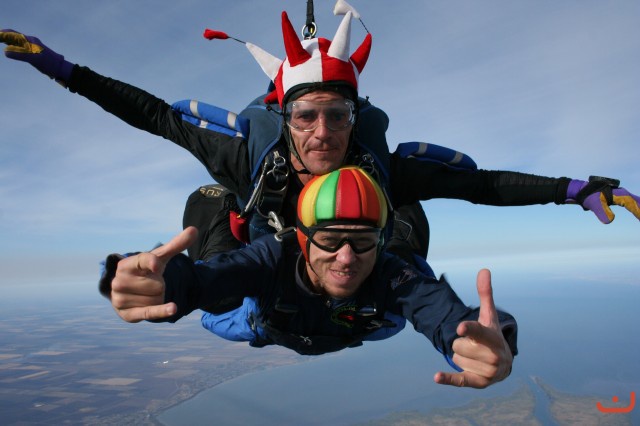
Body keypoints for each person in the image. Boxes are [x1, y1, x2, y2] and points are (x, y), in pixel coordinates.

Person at [2, 9, 639, 337]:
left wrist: (574, 189)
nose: (323, 133)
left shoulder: (379, 167)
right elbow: (156, 117)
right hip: (260, 291)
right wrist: (59, 67)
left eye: (337, 116)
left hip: (365, 295)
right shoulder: (251, 159)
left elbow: (481, 186)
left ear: (353, 118)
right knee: (212, 205)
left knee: (399, 210)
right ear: (286, 117)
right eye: (306, 116)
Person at [101, 166, 517, 389]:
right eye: (330, 241)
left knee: (405, 279)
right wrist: (152, 283)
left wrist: (478, 343)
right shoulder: (271, 258)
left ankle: (391, 233)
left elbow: (439, 311)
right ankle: (224, 208)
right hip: (264, 324)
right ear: (303, 239)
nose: (346, 258)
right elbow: (204, 280)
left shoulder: (390, 272)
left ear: (378, 242)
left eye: (363, 242)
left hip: (359, 325)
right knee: (216, 310)